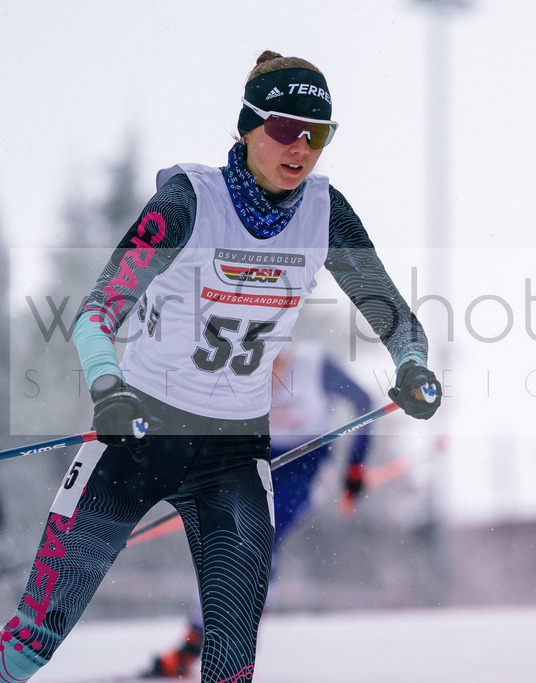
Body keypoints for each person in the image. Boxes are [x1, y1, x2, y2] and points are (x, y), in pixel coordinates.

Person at [0, 50, 441, 683]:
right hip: (139, 436)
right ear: (247, 125)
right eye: (286, 129)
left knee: (230, 666)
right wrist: (108, 389)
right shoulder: (189, 200)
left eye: (319, 135)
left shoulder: (325, 211)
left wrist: (413, 365)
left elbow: (395, 317)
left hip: (234, 454)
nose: (302, 148)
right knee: (30, 644)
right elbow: (97, 311)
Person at [143, 341, 374, 678]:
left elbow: (364, 401)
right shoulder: (236, 363)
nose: (271, 373)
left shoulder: (315, 363)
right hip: (255, 460)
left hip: (306, 467)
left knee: (260, 537)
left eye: (277, 362)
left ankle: (230, 645)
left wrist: (355, 466)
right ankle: (193, 644)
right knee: (224, 542)